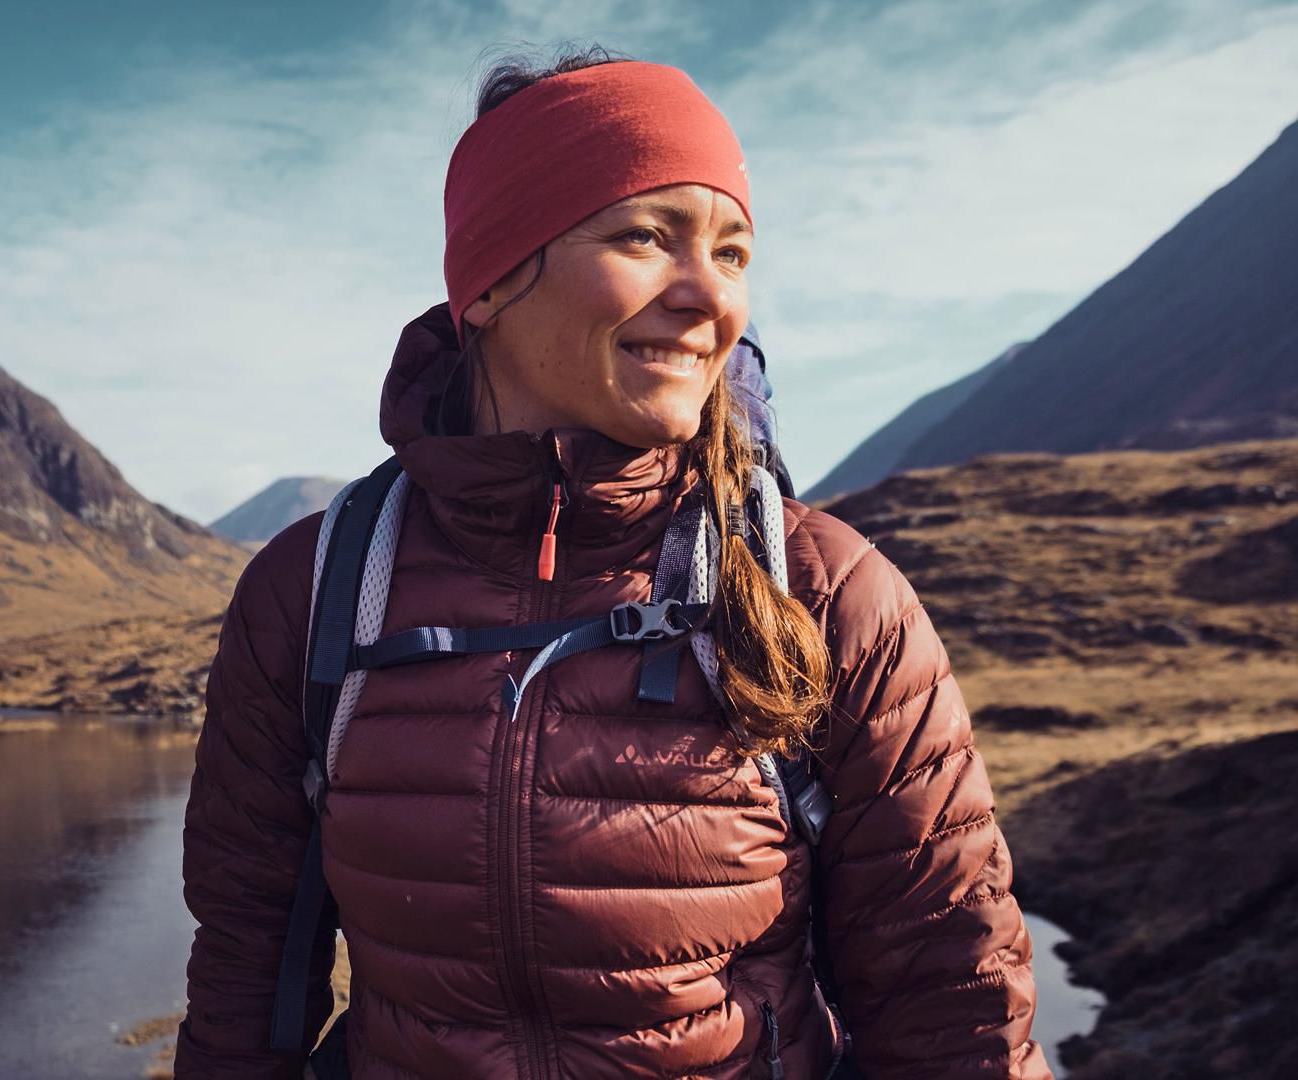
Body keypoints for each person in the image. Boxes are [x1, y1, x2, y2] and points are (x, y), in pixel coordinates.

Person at [178, 49, 1051, 1079]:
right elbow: (245, 986)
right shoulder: (318, 591)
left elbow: (953, 1011)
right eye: (647, 236)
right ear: (493, 277)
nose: (708, 296)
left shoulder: (827, 592)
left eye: (731, 253)